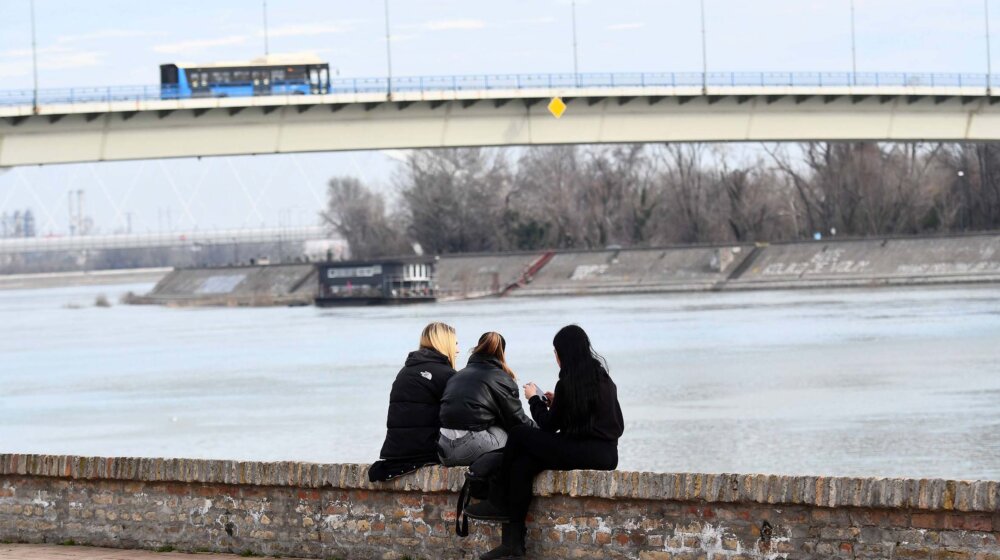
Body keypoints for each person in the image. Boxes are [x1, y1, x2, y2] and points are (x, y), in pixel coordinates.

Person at [466, 325, 624, 559]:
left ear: (564, 353)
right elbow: (604, 422)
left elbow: (549, 425)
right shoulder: (603, 380)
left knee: (519, 434)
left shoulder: (569, 383)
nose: (556, 357)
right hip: (606, 453)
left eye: (556, 352)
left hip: (581, 450)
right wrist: (558, 402)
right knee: (523, 465)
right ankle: (514, 544)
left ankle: (498, 498)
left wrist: (534, 400)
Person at [368, 322, 459, 482]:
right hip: (424, 451)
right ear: (445, 344)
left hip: (396, 451)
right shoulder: (447, 375)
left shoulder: (405, 371)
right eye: (455, 344)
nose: (457, 350)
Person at [438, 332, 536, 467]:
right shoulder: (501, 378)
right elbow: (517, 420)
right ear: (502, 353)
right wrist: (542, 433)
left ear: (477, 348)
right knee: (512, 435)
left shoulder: (457, 376)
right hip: (470, 448)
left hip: (443, 450)